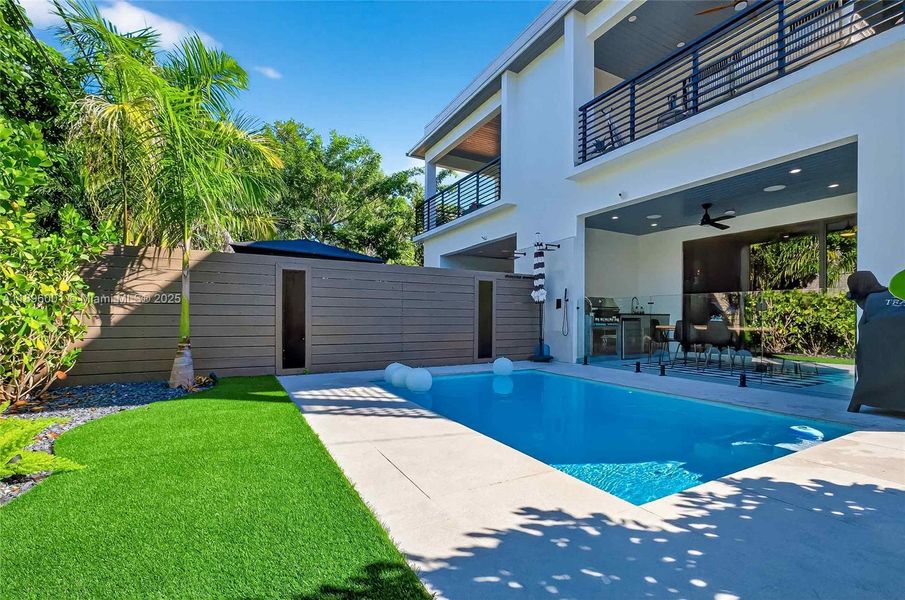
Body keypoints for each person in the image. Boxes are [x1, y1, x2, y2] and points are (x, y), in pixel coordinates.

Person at [846, 271, 905, 413]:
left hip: (878, 367)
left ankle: (858, 402)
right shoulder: (892, 294)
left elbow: (863, 330)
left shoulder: (872, 302)